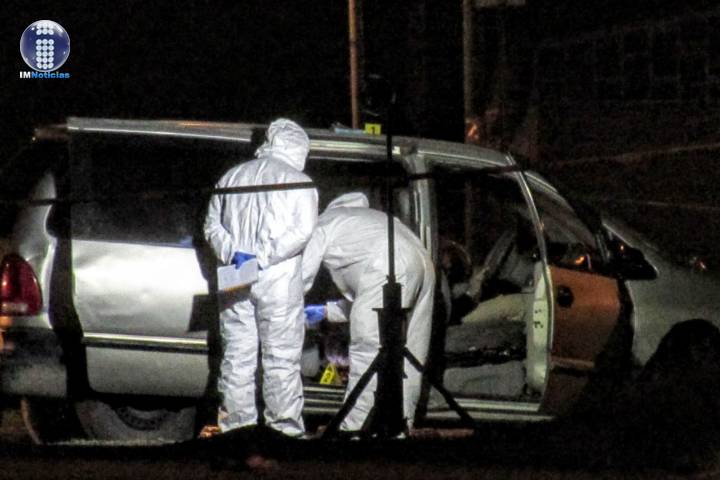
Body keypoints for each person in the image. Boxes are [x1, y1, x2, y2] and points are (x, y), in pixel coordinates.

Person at [204, 118, 318, 437]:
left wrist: (235, 254)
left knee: (236, 358)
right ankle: (284, 432)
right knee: (280, 359)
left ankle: (235, 431)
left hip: (236, 273)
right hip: (278, 279)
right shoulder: (299, 181)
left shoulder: (231, 176)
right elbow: (302, 232)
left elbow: (211, 226)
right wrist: (262, 257)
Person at [301, 192, 435, 432]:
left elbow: (300, 278)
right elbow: (368, 299)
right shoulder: (372, 219)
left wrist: (282, 305)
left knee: (367, 350)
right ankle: (401, 426)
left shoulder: (323, 223)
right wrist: (325, 310)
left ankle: (354, 429)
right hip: (423, 264)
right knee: (411, 351)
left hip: (387, 265)